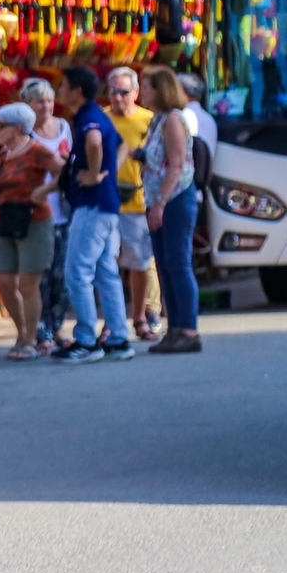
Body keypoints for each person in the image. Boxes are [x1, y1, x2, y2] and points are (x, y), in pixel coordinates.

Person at [54, 65, 134, 363]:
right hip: (105, 204)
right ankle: (118, 337)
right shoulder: (96, 115)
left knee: (77, 271)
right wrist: (104, 172)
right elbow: (121, 146)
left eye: (63, 85)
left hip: (92, 206)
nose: (59, 90)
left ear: (76, 91)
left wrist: (95, 172)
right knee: (105, 271)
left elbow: (95, 142)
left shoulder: (89, 117)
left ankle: (86, 341)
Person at [0, 101, 62, 360]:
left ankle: (29, 339)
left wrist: (44, 191)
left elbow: (64, 173)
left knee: (28, 282)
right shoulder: (4, 154)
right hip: (7, 221)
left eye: (1, 126)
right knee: (4, 281)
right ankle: (22, 331)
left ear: (17, 128)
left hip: (34, 221)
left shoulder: (37, 150)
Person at [142, 68, 203, 353]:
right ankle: (175, 327)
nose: (142, 93)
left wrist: (160, 203)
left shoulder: (174, 120)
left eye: (146, 87)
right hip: (158, 198)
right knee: (165, 265)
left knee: (178, 263)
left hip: (174, 198)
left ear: (160, 90)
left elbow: (176, 165)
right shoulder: (158, 120)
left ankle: (188, 329)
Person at [20, 79, 76, 355]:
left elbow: (73, 163)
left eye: (49, 101)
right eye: (40, 101)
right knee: (38, 275)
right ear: (28, 104)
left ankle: (58, 325)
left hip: (63, 211)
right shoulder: (24, 133)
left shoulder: (64, 127)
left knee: (62, 274)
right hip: (37, 213)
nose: (46, 106)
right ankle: (40, 328)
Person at [107, 68, 159, 340]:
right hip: (106, 203)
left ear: (136, 93)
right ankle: (111, 323)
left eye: (124, 92)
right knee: (106, 265)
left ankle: (139, 318)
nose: (118, 97)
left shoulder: (149, 121)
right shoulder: (102, 120)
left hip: (138, 203)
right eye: (113, 91)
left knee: (139, 265)